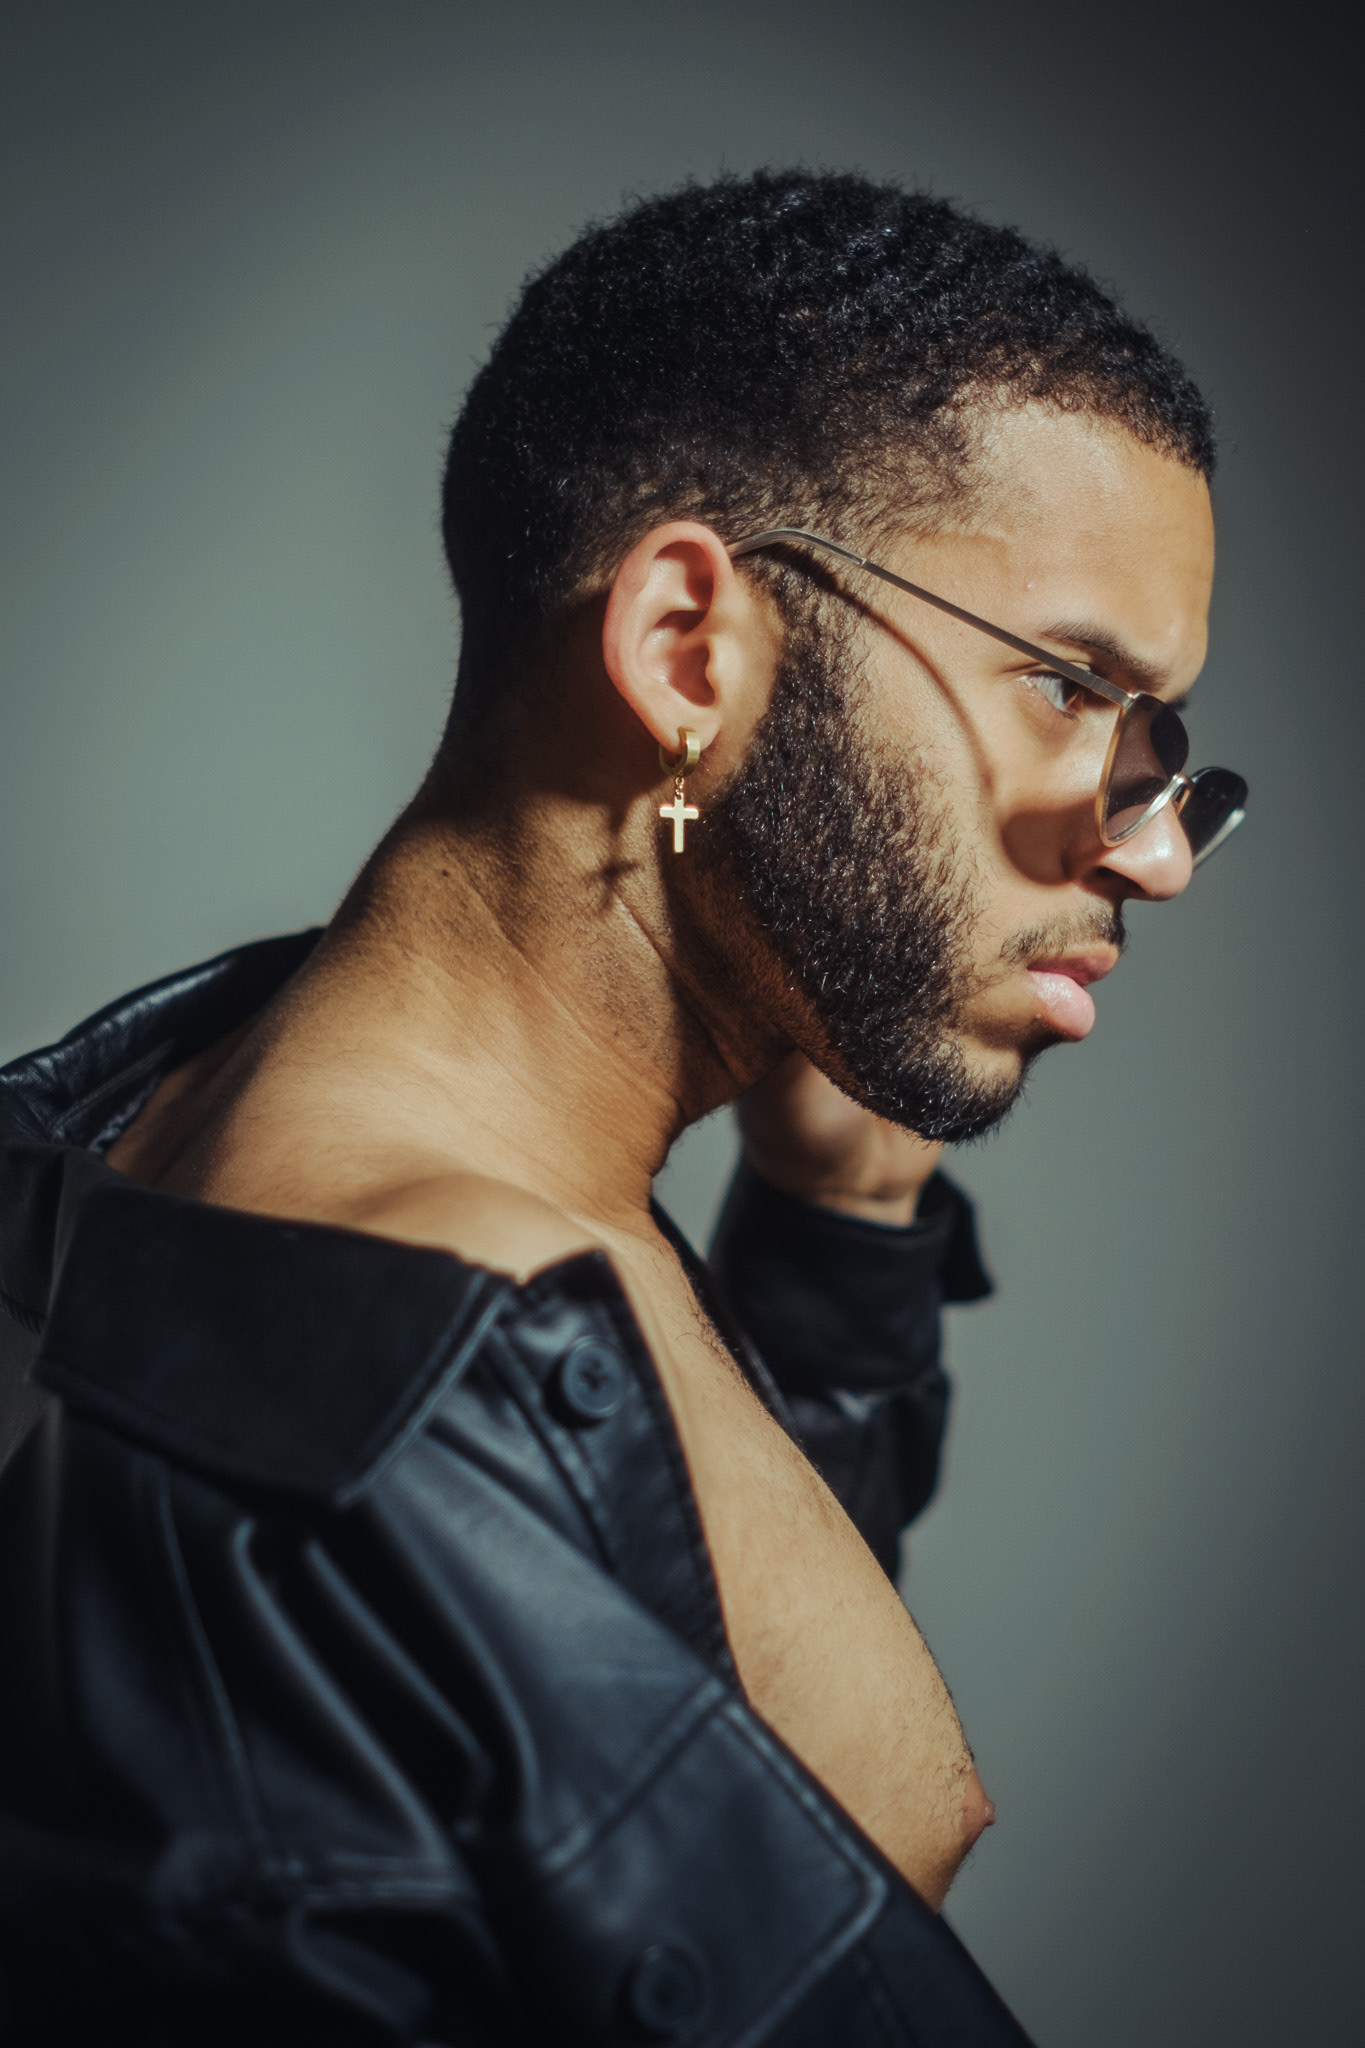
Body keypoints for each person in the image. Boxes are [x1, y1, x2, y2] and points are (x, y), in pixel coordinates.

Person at [0, 169, 1245, 2044]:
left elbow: (690, 1749)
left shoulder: (342, 1146)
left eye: (1162, 745)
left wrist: (834, 1230)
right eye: (1072, 690)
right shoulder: (363, 1420)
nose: (1149, 853)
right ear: (686, 651)